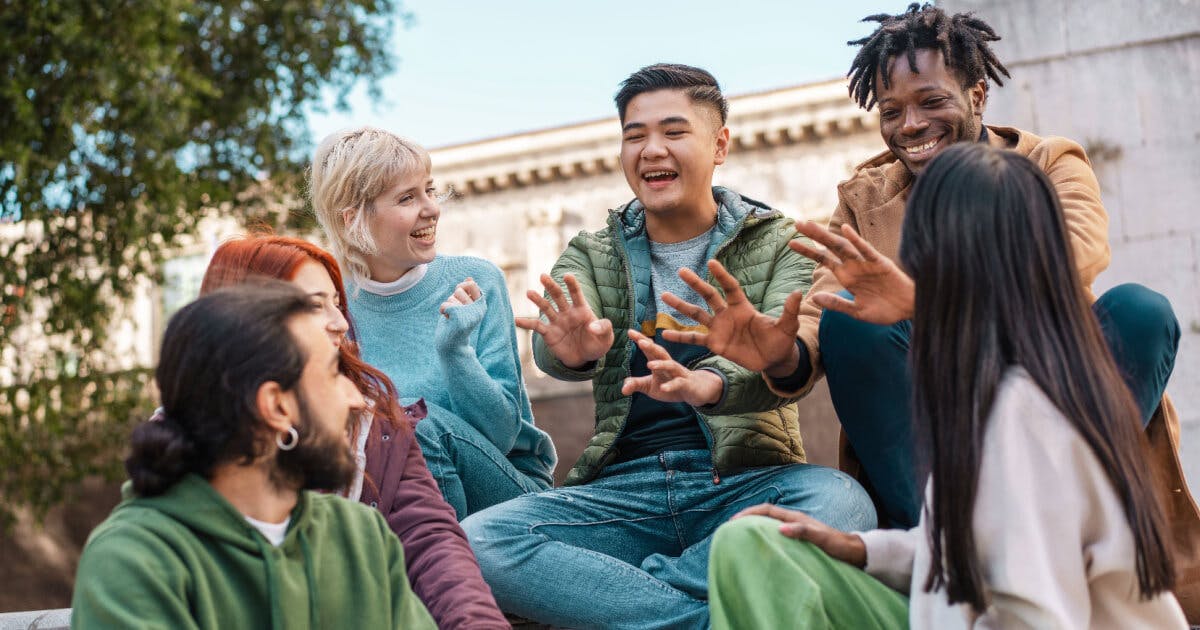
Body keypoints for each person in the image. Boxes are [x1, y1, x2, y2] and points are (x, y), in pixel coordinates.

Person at [657, 2, 1183, 531]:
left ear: (977, 95)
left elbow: (1075, 251)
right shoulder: (863, 200)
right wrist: (783, 355)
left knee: (1142, 310)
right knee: (848, 318)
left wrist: (928, 300)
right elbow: (823, 310)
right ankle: (948, 543)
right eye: (891, 111)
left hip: (1051, 394)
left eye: (931, 101)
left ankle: (1063, 522)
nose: (911, 125)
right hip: (933, 425)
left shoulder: (1048, 163)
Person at [458, 63, 875, 630]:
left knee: (843, 502)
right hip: (622, 492)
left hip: (745, 482)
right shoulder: (592, 251)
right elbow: (555, 351)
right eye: (635, 135)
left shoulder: (783, 242)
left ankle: (640, 596)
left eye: (674, 132)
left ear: (719, 144)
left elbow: (790, 350)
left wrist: (714, 382)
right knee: (482, 540)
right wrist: (573, 351)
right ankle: (709, 614)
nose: (651, 149)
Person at [708, 142, 1188, 629]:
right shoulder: (987, 399)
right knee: (751, 547)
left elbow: (1037, 618)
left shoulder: (1027, 414)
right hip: (954, 605)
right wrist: (856, 547)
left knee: (746, 552)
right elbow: (976, 552)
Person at [72, 282, 437, 629]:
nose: (355, 398)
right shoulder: (135, 563)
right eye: (332, 374)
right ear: (276, 406)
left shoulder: (360, 538)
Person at [199, 234, 508, 628]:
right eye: (315, 306)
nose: (340, 323)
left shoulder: (375, 426)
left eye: (337, 303)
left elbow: (431, 542)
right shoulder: (183, 464)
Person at [309, 128, 556, 519]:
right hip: (380, 498)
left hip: (507, 490)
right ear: (353, 219)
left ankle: (441, 572)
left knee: (410, 423)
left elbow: (503, 435)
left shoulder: (475, 280)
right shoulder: (329, 303)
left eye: (429, 189)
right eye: (407, 198)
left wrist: (454, 350)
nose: (432, 208)